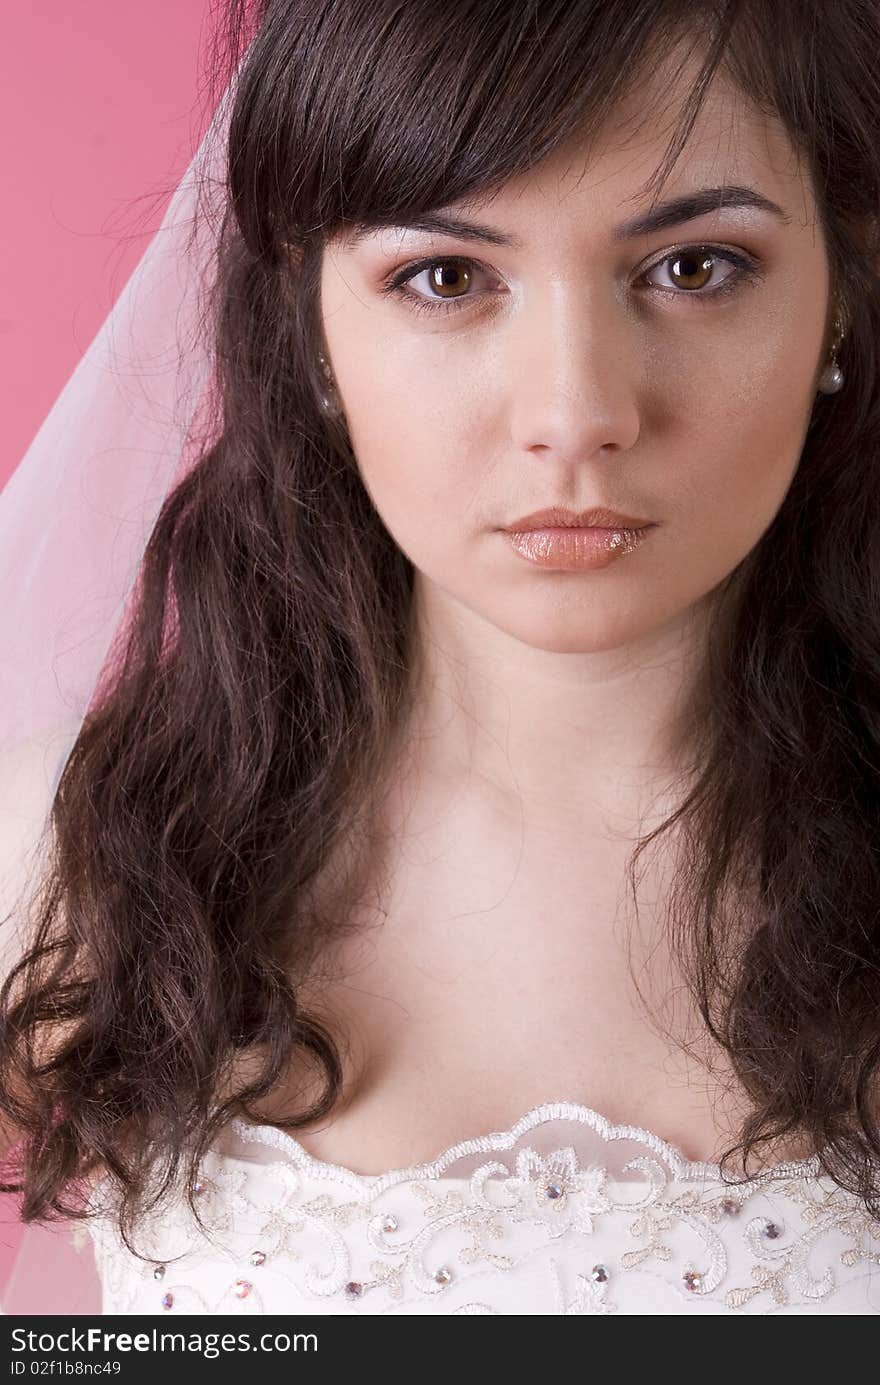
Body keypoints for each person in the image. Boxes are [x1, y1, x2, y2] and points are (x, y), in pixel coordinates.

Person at [1, 0, 879, 1316]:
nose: (579, 413)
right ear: (306, 322)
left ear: (845, 293)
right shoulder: (68, 868)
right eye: (449, 277)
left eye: (694, 267)